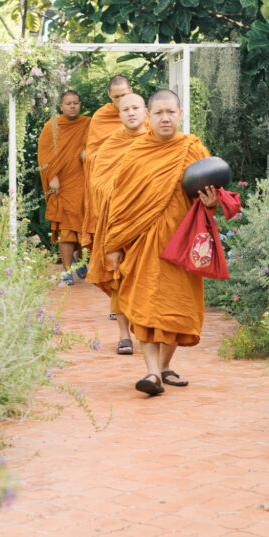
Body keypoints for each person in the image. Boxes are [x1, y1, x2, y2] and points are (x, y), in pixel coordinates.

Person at [104, 89, 218, 396]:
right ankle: (152, 373)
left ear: (180, 114)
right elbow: (120, 202)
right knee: (146, 306)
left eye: (171, 112)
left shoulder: (193, 148)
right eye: (158, 113)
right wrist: (113, 244)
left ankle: (165, 366)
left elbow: (210, 195)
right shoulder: (136, 153)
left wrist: (210, 203)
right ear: (148, 117)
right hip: (144, 244)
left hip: (183, 244)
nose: (165, 118)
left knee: (178, 311)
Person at [86, 91, 148, 354]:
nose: (131, 113)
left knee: (147, 279)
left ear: (145, 111)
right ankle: (124, 335)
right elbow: (97, 184)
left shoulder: (157, 142)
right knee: (119, 279)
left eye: (136, 108)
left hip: (148, 222)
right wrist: (123, 193)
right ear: (119, 114)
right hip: (118, 222)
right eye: (125, 109)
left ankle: (147, 333)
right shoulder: (111, 145)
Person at [37, 89, 91, 283]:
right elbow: (44, 154)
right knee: (66, 227)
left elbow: (97, 145)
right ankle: (67, 270)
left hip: (84, 181)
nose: (73, 106)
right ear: (61, 106)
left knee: (84, 224)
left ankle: (79, 258)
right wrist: (52, 176)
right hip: (62, 183)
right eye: (68, 103)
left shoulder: (88, 123)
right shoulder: (52, 126)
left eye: (76, 103)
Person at [80, 74, 133, 249]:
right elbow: (91, 153)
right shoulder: (101, 116)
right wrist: (108, 159)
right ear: (109, 95)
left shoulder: (140, 113)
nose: (120, 100)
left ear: (131, 91)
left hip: (132, 179)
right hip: (106, 183)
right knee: (108, 226)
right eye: (116, 96)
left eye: (124, 95)